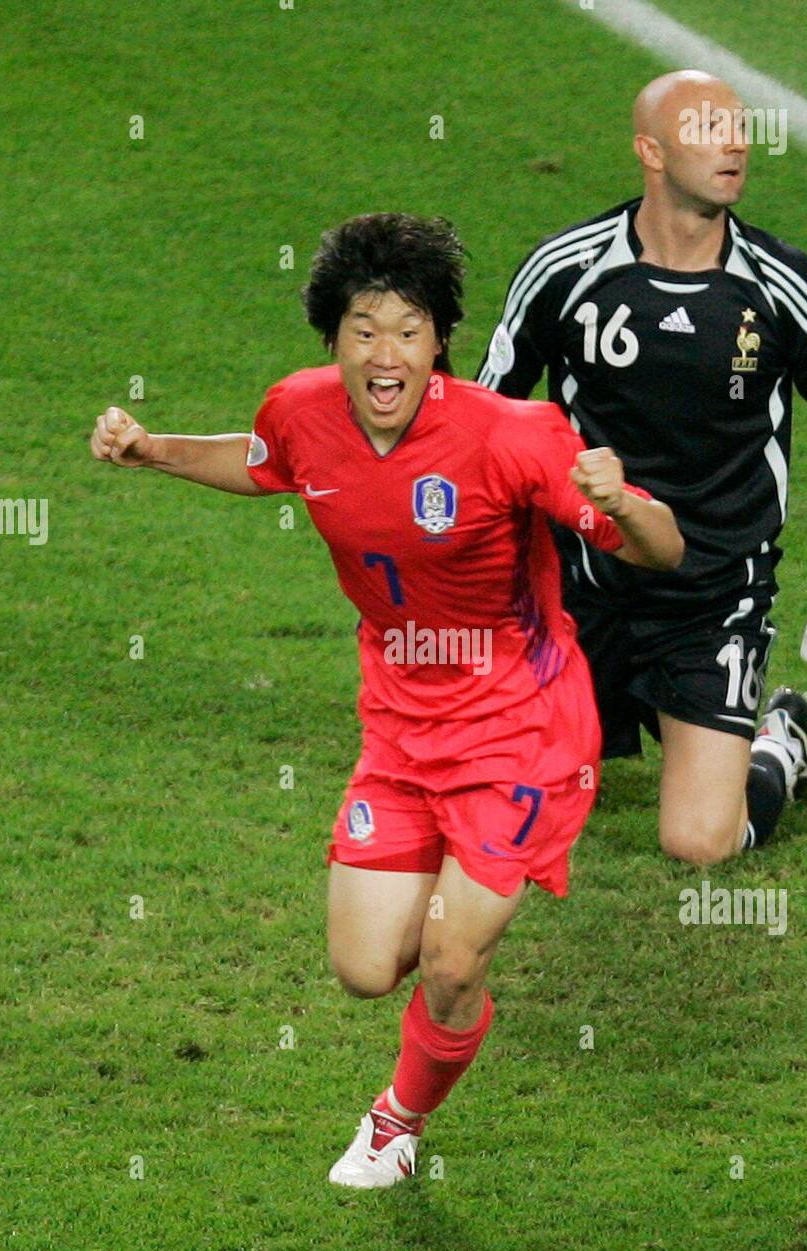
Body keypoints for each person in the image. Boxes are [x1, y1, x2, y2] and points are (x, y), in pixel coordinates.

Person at [90, 212, 683, 1187]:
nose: (385, 354)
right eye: (364, 329)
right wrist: (152, 448)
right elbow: (263, 461)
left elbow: (662, 550)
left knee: (449, 961)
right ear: (333, 338)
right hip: (401, 726)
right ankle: (454, 958)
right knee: (368, 967)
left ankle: (395, 1122)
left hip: (520, 726)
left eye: (408, 329)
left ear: (440, 340)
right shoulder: (302, 409)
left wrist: (623, 502)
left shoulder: (510, 435)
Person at [478, 69, 807, 864]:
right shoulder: (567, 268)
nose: (735, 142)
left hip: (712, 597)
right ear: (650, 152)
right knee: (508, 794)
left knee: (699, 841)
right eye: (706, 128)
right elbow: (487, 413)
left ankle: (775, 747)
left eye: (738, 128)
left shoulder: (779, 284)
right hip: (579, 585)